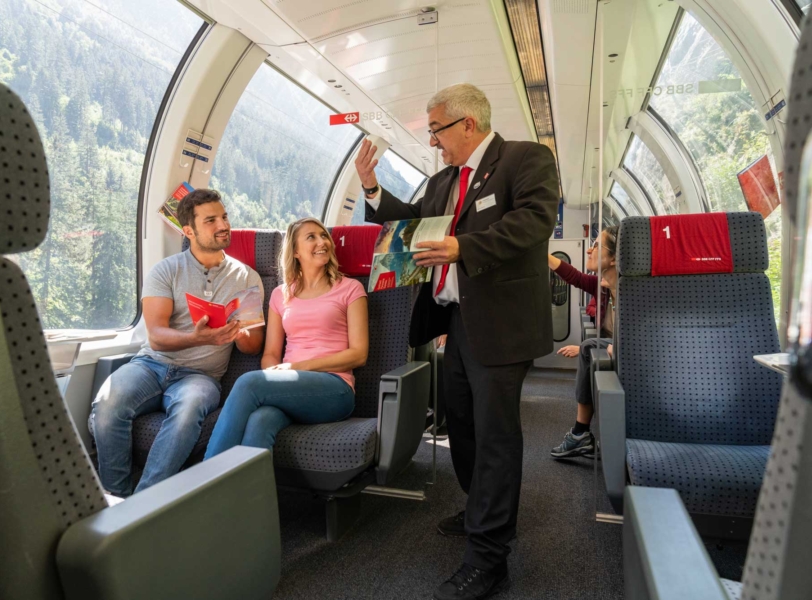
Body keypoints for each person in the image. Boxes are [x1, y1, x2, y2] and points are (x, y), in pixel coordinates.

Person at [355, 83, 558, 600]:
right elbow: (414, 227)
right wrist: (373, 189)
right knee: (460, 425)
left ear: (468, 124)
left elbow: (534, 223)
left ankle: (489, 558)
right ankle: (479, 508)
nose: (433, 142)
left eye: (436, 130)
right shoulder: (444, 179)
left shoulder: (526, 159)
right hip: (457, 322)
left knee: (495, 436)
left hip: (504, 323)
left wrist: (462, 246)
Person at [90, 189, 264, 497]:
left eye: (223, 217)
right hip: (150, 365)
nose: (223, 225)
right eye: (210, 220)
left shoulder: (246, 277)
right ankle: (115, 499)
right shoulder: (166, 270)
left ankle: (145, 503)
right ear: (188, 230)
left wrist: (239, 330)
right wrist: (196, 337)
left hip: (202, 377)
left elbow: (252, 347)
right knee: (107, 405)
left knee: (188, 412)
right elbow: (156, 336)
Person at [203, 217, 368, 459]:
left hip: (334, 388)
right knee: (260, 421)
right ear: (296, 251)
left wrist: (296, 368)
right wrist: (276, 374)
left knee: (249, 383)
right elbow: (270, 353)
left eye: (324, 236)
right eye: (311, 237)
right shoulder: (281, 295)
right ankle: (249, 497)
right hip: (291, 387)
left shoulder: (350, 289)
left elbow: (359, 354)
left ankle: (203, 484)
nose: (322, 241)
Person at [548, 227, 618, 459]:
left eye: (598, 246)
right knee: (589, 347)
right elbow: (574, 277)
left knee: (588, 347)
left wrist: (586, 348)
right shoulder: (603, 288)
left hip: (626, 354)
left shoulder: (635, 291)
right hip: (610, 347)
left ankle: (581, 434)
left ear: (615, 258)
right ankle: (581, 435)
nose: (590, 249)